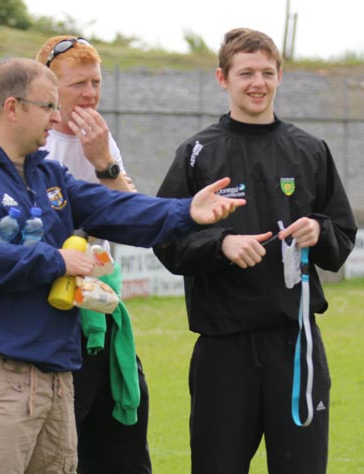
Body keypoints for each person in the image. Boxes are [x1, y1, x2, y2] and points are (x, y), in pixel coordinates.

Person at [0, 57, 245, 474]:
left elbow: (117, 209)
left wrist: (186, 212)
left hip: (59, 377)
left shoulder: (48, 175)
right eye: (48, 106)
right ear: (12, 107)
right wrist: (55, 259)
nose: (57, 117)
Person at [153, 28, 357, 474]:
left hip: (295, 344)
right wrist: (220, 244)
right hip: (223, 349)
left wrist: (318, 231)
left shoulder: (310, 150)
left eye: (267, 72)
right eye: (245, 72)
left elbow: (341, 237)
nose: (257, 82)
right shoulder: (197, 153)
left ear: (279, 76)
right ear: (223, 78)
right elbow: (166, 239)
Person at [35, 36, 150, 474]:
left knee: (124, 431)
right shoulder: (35, 142)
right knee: (63, 444)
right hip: (52, 314)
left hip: (100, 306)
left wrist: (104, 160)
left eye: (96, 82)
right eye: (78, 83)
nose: (90, 94)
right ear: (48, 85)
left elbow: (132, 215)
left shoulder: (101, 138)